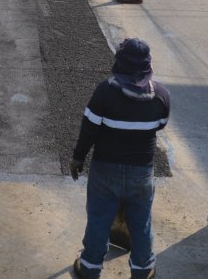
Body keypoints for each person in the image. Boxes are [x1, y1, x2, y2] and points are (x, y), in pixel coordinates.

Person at [69, 39, 171, 279]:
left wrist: (78, 158)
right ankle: (143, 270)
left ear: (120, 63)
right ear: (147, 65)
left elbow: (89, 129)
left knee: (98, 219)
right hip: (141, 174)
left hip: (105, 172)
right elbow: (160, 125)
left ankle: (90, 267)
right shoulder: (161, 96)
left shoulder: (104, 92)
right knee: (141, 224)